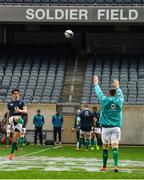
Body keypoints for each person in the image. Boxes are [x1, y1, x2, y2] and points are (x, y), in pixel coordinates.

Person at [93, 75, 124, 173]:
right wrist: (118, 86)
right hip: (116, 127)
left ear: (108, 93)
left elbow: (99, 93)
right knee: (115, 147)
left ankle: (105, 166)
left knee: (105, 147)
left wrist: (96, 83)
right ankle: (116, 166)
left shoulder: (104, 100)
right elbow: (121, 95)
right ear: (115, 94)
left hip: (105, 128)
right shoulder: (119, 100)